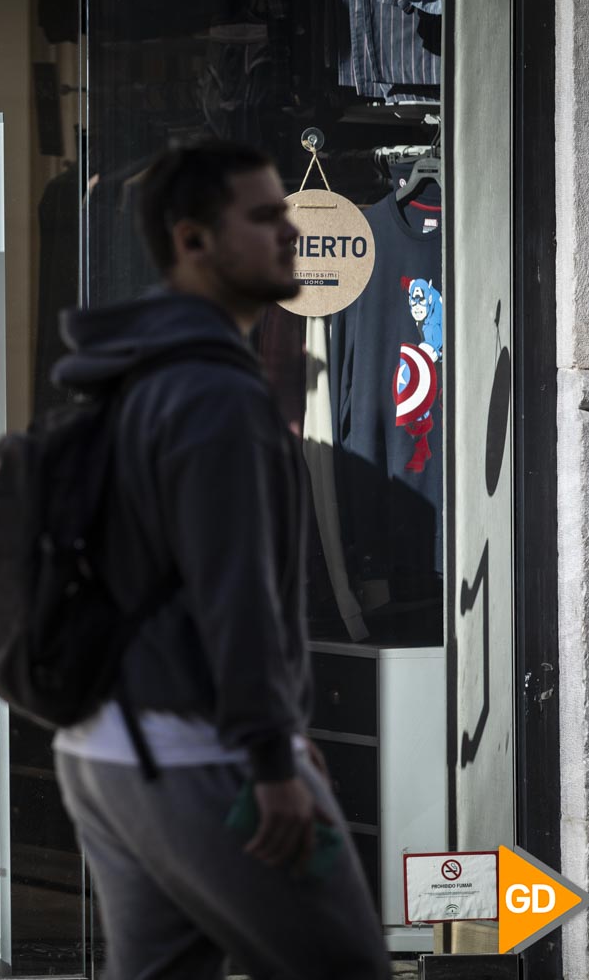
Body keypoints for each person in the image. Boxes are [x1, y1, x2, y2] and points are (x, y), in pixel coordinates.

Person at [50, 142, 391, 979]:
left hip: (105, 746)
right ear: (194, 241)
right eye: (265, 217)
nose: (291, 234)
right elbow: (232, 593)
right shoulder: (219, 396)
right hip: (199, 753)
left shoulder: (137, 369)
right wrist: (273, 756)